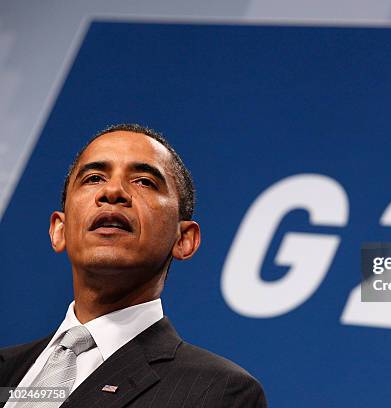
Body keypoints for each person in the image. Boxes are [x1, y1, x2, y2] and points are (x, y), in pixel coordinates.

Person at [0, 124, 267, 408]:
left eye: (144, 181)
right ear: (59, 230)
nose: (112, 191)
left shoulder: (217, 392)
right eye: (93, 178)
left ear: (184, 239)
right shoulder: (7, 368)